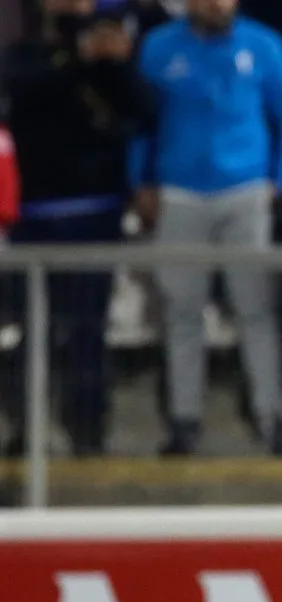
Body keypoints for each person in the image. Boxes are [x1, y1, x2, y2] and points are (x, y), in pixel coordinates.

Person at [130, 0, 282, 455]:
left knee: (256, 309)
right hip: (179, 192)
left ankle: (271, 417)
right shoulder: (158, 47)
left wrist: (278, 180)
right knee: (181, 311)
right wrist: (140, 181)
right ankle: (184, 421)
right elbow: (141, 122)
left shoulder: (263, 44)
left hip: (244, 191)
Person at [1, 0, 152, 456]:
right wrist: (77, 61)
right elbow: (24, 97)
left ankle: (88, 433)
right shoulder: (24, 56)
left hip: (95, 212)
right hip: (36, 217)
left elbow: (139, 113)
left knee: (88, 329)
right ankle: (26, 431)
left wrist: (114, 65)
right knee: (34, 330)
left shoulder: (113, 61)